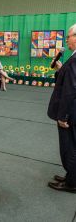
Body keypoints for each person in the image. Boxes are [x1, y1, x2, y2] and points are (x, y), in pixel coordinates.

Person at [47, 24, 76, 193]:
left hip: (70, 113)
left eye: (69, 36)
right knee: (71, 146)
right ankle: (71, 175)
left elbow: (71, 89)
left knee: (69, 148)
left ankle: (72, 183)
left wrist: (63, 116)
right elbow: (69, 79)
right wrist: (60, 68)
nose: (66, 40)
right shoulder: (72, 58)